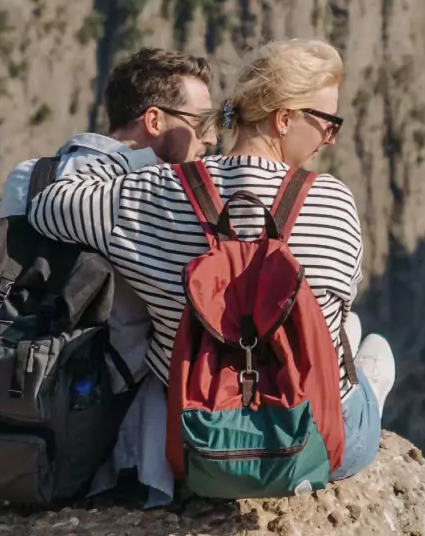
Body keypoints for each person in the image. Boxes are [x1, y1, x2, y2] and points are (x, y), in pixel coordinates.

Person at [25, 38, 395, 485]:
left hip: (198, 443)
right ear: (284, 119)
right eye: (327, 123)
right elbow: (338, 302)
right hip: (314, 444)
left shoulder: (158, 191)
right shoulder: (334, 201)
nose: (330, 138)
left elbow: (48, 205)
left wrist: (135, 162)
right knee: (368, 344)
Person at [0, 47, 216, 507]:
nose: (211, 140)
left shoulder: (27, 177)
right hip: (126, 457)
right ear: (154, 121)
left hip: (21, 418)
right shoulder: (149, 199)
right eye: (202, 123)